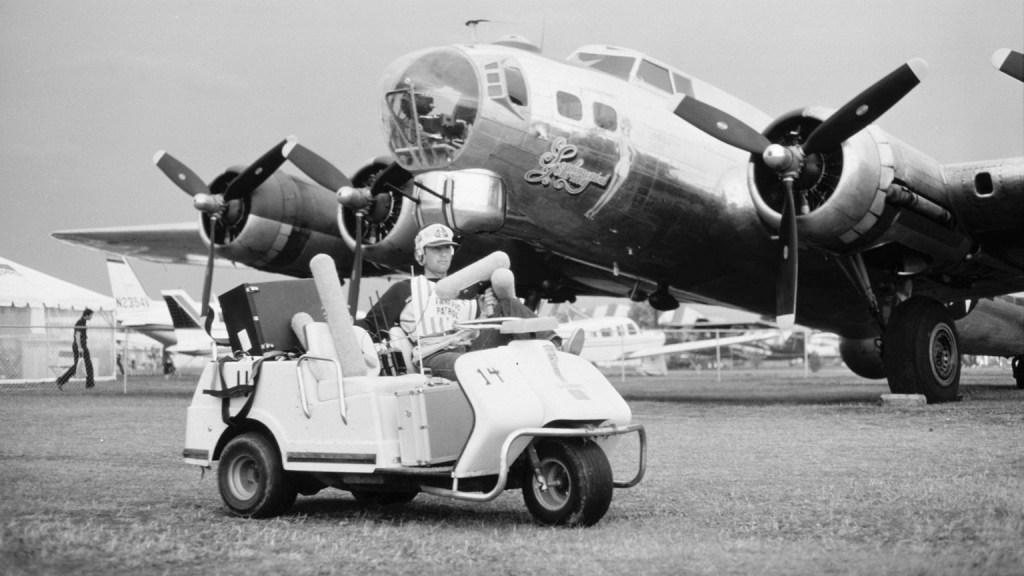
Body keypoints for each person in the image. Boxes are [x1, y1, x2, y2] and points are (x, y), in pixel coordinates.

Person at [357, 223, 579, 380]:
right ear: (420, 255)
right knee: (473, 367)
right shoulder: (406, 289)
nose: (443, 254)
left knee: (508, 303)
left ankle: (556, 347)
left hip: (470, 349)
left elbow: (481, 327)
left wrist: (486, 312)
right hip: (434, 356)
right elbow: (370, 325)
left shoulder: (468, 287)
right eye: (436, 248)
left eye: (447, 248)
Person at [56, 308, 94, 390]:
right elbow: (77, 335)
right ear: (87, 315)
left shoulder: (83, 322)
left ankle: (90, 385)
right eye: (91, 315)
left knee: (88, 365)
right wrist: (79, 347)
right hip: (79, 347)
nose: (91, 317)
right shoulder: (80, 322)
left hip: (82, 346)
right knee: (78, 366)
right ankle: (61, 381)